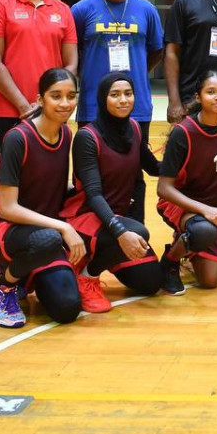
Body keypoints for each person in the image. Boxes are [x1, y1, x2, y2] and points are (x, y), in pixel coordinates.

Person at [0, 68, 85, 328]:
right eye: (56, 96)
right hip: (2, 227)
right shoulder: (18, 138)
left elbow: (55, 183)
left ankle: (22, 271)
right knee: (49, 239)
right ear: (40, 99)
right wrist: (64, 227)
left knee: (67, 308)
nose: (65, 103)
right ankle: (4, 287)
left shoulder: (65, 133)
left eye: (71, 96)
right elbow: (8, 208)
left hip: (42, 233)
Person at [70, 0, 163, 219]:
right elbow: (72, 53)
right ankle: (87, 233)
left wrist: (134, 76)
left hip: (136, 109)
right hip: (92, 108)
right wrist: (90, 77)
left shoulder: (146, 9)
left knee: (132, 175)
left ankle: (135, 230)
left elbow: (156, 51)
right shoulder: (81, 9)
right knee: (90, 177)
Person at [61, 73, 164, 313]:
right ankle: (87, 275)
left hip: (114, 222)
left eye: (128, 94)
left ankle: (100, 255)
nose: (123, 100)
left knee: (151, 282)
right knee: (138, 232)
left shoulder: (134, 128)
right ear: (102, 99)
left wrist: (187, 155)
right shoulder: (87, 137)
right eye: (115, 95)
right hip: (85, 216)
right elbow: (94, 195)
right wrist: (122, 232)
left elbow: (154, 168)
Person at [0, 0, 78, 156]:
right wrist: (24, 106)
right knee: (11, 172)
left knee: (50, 171)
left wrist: (51, 102)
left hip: (52, 111)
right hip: (8, 111)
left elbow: (71, 63)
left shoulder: (63, 10)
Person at [155, 71, 217, 294]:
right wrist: (205, 210)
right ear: (198, 97)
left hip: (215, 205)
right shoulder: (183, 133)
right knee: (202, 231)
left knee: (210, 281)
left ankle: (192, 244)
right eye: (211, 92)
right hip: (183, 204)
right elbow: (163, 188)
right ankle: (170, 261)